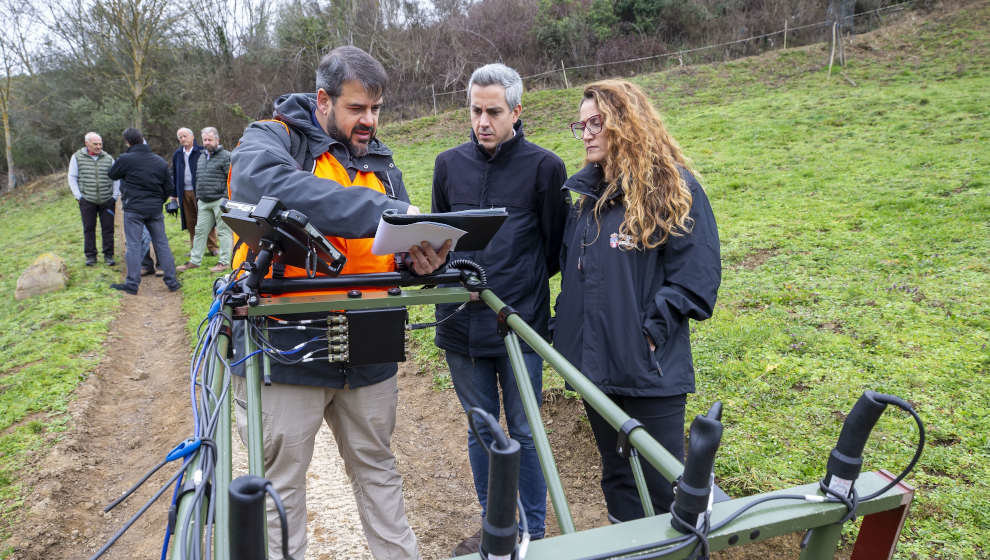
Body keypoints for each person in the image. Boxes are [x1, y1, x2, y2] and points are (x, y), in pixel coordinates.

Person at [228, 45, 448, 560]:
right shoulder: (271, 138)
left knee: (378, 467)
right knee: (280, 485)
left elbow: (385, 246)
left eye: (376, 109)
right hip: (287, 343)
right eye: (356, 109)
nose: (369, 120)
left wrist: (416, 258)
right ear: (322, 100)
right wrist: (386, 211)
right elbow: (272, 188)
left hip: (369, 344)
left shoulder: (382, 160)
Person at [553, 80, 721, 521]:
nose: (586, 133)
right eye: (581, 125)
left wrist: (648, 334)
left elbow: (695, 279)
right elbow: (576, 276)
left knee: (664, 484)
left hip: (649, 371)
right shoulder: (588, 200)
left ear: (626, 125)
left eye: (596, 123)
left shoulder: (674, 190)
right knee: (617, 476)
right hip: (594, 369)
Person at [431, 63, 569, 555]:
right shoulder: (448, 164)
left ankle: (535, 533)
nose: (482, 121)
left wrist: (521, 288)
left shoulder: (545, 167)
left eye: (493, 111)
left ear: (516, 111)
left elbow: (555, 248)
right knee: (480, 429)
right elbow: (438, 243)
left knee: (525, 429)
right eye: (475, 110)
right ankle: (498, 529)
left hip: (519, 324)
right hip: (460, 327)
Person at [107, 128, 181, 294]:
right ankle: (172, 282)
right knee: (162, 244)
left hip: (133, 209)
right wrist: (158, 201)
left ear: (128, 142)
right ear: (142, 140)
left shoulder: (125, 159)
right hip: (154, 209)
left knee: (133, 245)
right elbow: (169, 187)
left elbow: (112, 174)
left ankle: (132, 284)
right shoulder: (159, 161)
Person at [177, 127, 233, 273]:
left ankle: (224, 262)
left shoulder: (226, 156)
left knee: (223, 231)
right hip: (203, 201)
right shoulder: (202, 156)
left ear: (217, 140)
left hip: (219, 200)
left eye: (210, 140)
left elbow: (231, 179)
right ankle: (195, 261)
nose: (207, 143)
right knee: (200, 231)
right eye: (205, 140)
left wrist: (226, 199)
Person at [68, 132, 120, 266]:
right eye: (95, 144)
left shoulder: (108, 158)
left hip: (107, 200)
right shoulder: (77, 157)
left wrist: (114, 196)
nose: (98, 147)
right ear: (87, 144)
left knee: (108, 229)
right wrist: (78, 196)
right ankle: (91, 256)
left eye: (100, 144)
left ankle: (109, 256)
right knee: (89, 228)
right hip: (87, 200)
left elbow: (116, 178)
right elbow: (72, 177)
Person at [169, 127, 219, 256]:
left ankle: (212, 247)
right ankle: (195, 248)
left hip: (200, 192)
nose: (182, 139)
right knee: (190, 221)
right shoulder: (177, 154)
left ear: (192, 137)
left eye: (184, 136)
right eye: (180, 137)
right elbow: (174, 174)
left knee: (205, 220)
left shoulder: (201, 152)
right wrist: (173, 195)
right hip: (184, 192)